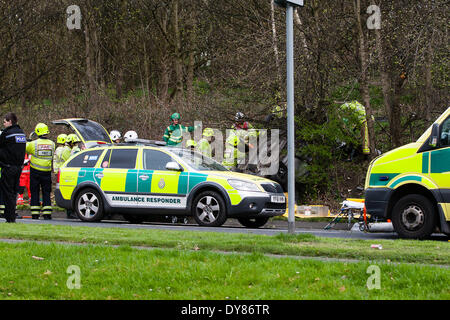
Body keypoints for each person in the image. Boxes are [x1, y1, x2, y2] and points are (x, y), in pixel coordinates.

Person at [0, 113, 27, 223]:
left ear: (10, 122)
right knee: (13, 192)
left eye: (5, 121)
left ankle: (10, 217)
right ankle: (12, 215)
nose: (4, 123)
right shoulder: (22, 133)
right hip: (18, 168)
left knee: (7, 193)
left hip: (8, 167)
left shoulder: (7, 133)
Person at [26, 123, 55, 220]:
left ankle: (35, 214)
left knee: (35, 192)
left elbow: (26, 149)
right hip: (47, 172)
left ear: (37, 132)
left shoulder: (33, 144)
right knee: (46, 192)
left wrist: (29, 141)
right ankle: (47, 213)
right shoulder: (52, 144)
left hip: (35, 172)